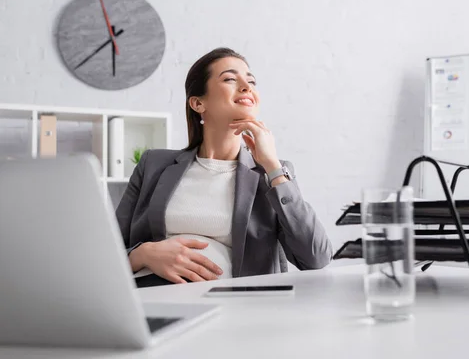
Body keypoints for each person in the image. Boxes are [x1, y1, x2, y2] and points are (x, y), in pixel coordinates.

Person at [117, 47, 333, 287]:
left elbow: (316, 257)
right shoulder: (153, 164)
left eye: (251, 80)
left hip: (236, 309)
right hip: (150, 299)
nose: (246, 86)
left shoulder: (272, 174)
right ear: (198, 103)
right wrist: (142, 254)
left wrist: (271, 165)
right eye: (231, 79)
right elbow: (105, 252)